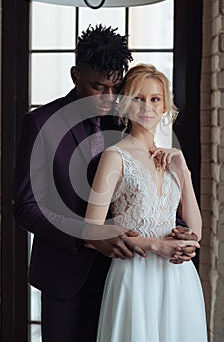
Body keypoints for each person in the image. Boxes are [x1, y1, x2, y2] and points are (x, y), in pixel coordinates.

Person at [15, 24, 198, 342]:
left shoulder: (128, 115)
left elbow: (142, 190)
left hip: (128, 274)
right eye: (98, 86)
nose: (109, 97)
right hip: (66, 275)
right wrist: (87, 235)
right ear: (75, 75)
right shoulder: (40, 123)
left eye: (115, 87)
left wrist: (176, 227)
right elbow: (26, 207)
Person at [85, 64, 207, 342]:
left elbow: (196, 231)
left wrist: (183, 171)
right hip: (134, 275)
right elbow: (91, 230)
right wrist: (156, 246)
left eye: (155, 99)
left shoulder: (172, 158)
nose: (147, 107)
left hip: (177, 278)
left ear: (165, 106)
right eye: (137, 98)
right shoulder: (114, 157)